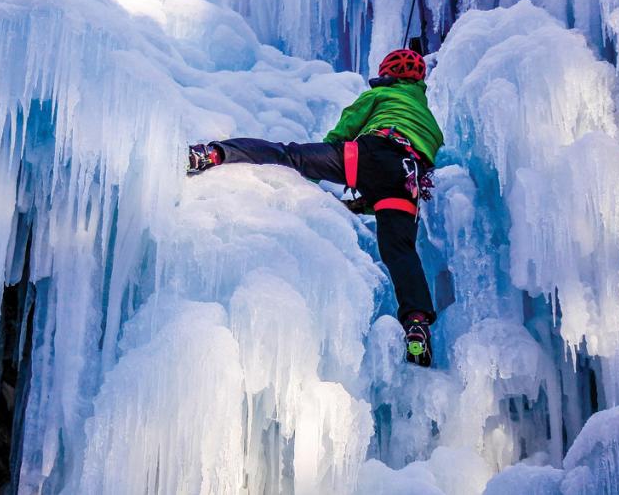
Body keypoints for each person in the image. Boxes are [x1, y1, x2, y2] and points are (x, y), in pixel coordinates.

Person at [187, 49, 444, 366]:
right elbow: (390, 183)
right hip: (408, 177)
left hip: (370, 152)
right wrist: (361, 205)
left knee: (289, 155)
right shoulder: (431, 123)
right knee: (401, 252)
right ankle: (416, 324)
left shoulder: (382, 94)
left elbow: (348, 126)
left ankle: (213, 154)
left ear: (390, 73)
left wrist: (327, 154)